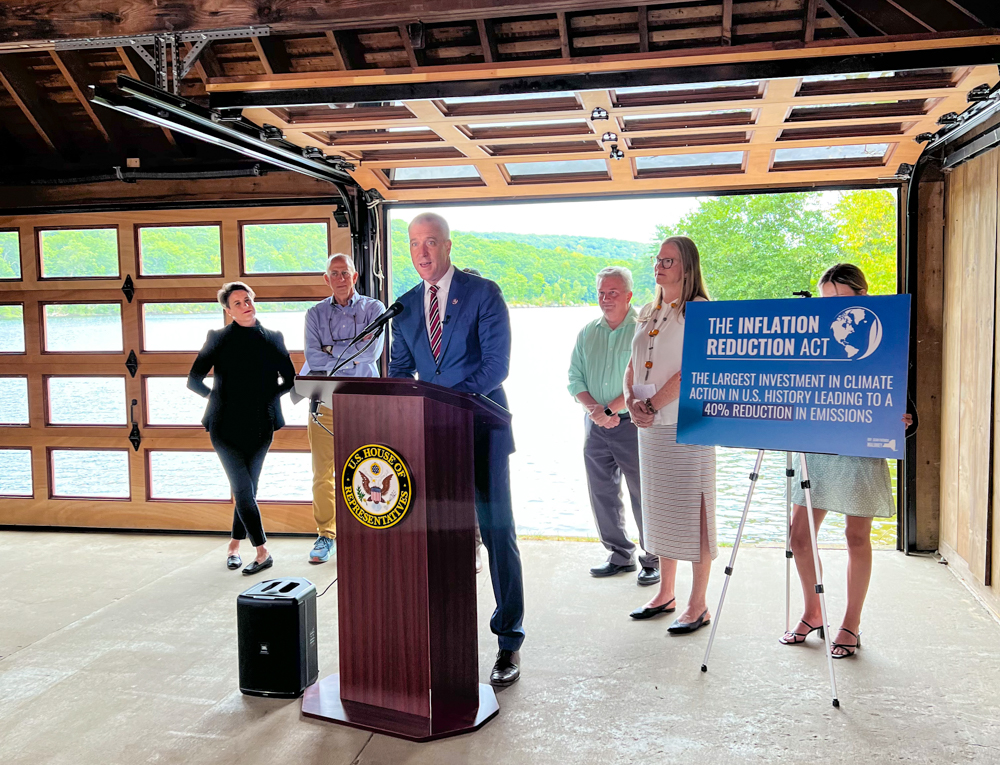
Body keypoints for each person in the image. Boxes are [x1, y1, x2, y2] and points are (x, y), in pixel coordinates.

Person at [388, 212, 525, 687]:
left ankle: (509, 641)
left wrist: (447, 400)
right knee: (439, 537)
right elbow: (401, 373)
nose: (422, 252)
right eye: (413, 244)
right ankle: (439, 637)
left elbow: (496, 366)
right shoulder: (404, 307)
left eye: (430, 242)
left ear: (448, 245)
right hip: (433, 437)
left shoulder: (483, 293)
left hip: (483, 431)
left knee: (496, 533)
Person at [781, 263, 915, 658]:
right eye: (826, 301)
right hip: (817, 447)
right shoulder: (811, 340)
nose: (831, 310)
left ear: (862, 297)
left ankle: (851, 624)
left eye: (840, 300)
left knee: (856, 537)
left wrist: (905, 420)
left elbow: (904, 399)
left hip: (860, 447)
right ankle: (812, 612)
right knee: (799, 537)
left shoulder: (888, 335)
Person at [625, 236, 718, 634]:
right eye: (657, 259)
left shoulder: (699, 311)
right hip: (650, 425)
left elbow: (693, 370)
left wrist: (653, 404)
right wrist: (631, 401)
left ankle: (698, 604)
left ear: (687, 267)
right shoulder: (649, 310)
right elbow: (631, 365)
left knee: (695, 513)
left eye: (669, 260)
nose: (659, 266)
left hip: (686, 423)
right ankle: (666, 593)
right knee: (660, 511)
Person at [188, 281, 296, 576]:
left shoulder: (273, 337)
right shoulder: (218, 338)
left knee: (248, 489)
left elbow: (289, 379)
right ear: (228, 310)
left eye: (248, 299)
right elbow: (194, 379)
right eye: (238, 303)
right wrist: (218, 398)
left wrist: (269, 396)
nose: (246, 305)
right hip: (224, 425)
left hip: (262, 424)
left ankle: (234, 545)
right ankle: (262, 551)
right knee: (241, 487)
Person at [568, 266, 659, 586]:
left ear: (629, 296)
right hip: (594, 426)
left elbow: (646, 380)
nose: (606, 299)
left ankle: (652, 558)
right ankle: (620, 554)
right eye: (601, 293)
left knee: (642, 493)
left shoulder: (644, 331)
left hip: (632, 424)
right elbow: (574, 378)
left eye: (613, 293)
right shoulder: (587, 332)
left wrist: (609, 409)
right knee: (601, 492)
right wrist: (595, 411)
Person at [300, 253, 386, 564]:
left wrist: (331, 348)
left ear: (355, 275)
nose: (340, 278)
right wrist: (350, 348)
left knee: (368, 469)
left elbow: (371, 352)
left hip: (365, 403)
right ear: (326, 279)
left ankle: (366, 532)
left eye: (344, 272)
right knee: (323, 474)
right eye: (334, 273)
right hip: (324, 401)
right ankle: (326, 535)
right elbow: (314, 356)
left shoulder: (375, 309)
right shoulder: (314, 314)